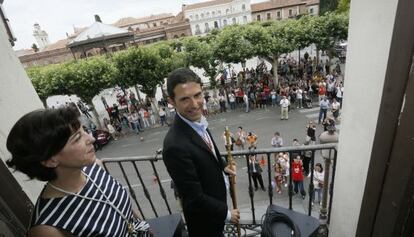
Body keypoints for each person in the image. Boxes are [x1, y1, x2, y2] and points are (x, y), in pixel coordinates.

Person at [5, 107, 151, 237]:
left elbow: (122, 210)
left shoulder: (95, 168)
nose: (92, 139)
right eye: (77, 138)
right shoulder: (47, 228)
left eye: (84, 131)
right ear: (50, 160)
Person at [162, 68, 239, 237]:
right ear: (172, 102)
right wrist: (226, 214)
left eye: (197, 95)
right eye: (184, 99)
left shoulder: (196, 121)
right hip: (205, 223)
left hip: (215, 209)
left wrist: (222, 165)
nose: (195, 104)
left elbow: (209, 148)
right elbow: (194, 197)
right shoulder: (174, 146)